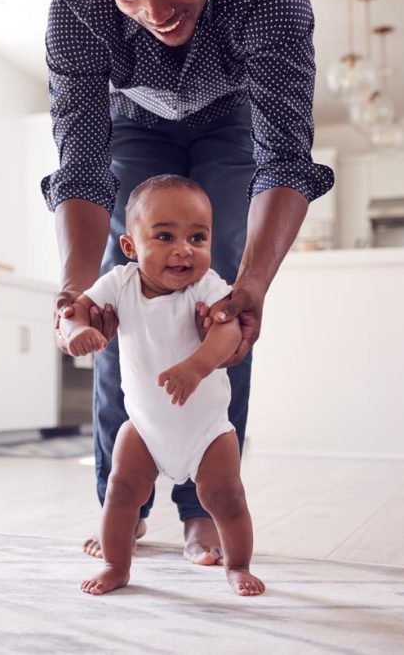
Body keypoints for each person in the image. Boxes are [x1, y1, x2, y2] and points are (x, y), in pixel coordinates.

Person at [41, 0, 334, 564]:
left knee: (220, 300)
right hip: (132, 122)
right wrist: (76, 292)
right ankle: (123, 499)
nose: (154, 10)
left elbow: (283, 156)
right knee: (119, 298)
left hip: (235, 118)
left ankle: (204, 508)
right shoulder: (77, 5)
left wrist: (253, 285)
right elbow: (82, 166)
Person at [61, 174, 264, 596]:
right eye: (165, 236)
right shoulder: (120, 283)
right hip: (145, 427)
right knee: (121, 491)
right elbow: (77, 308)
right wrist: (77, 329)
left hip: (207, 431)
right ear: (130, 246)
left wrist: (196, 367)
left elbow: (228, 331)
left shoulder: (207, 286)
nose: (184, 249)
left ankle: (238, 566)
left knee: (226, 497)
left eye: (198, 237)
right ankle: (116, 566)